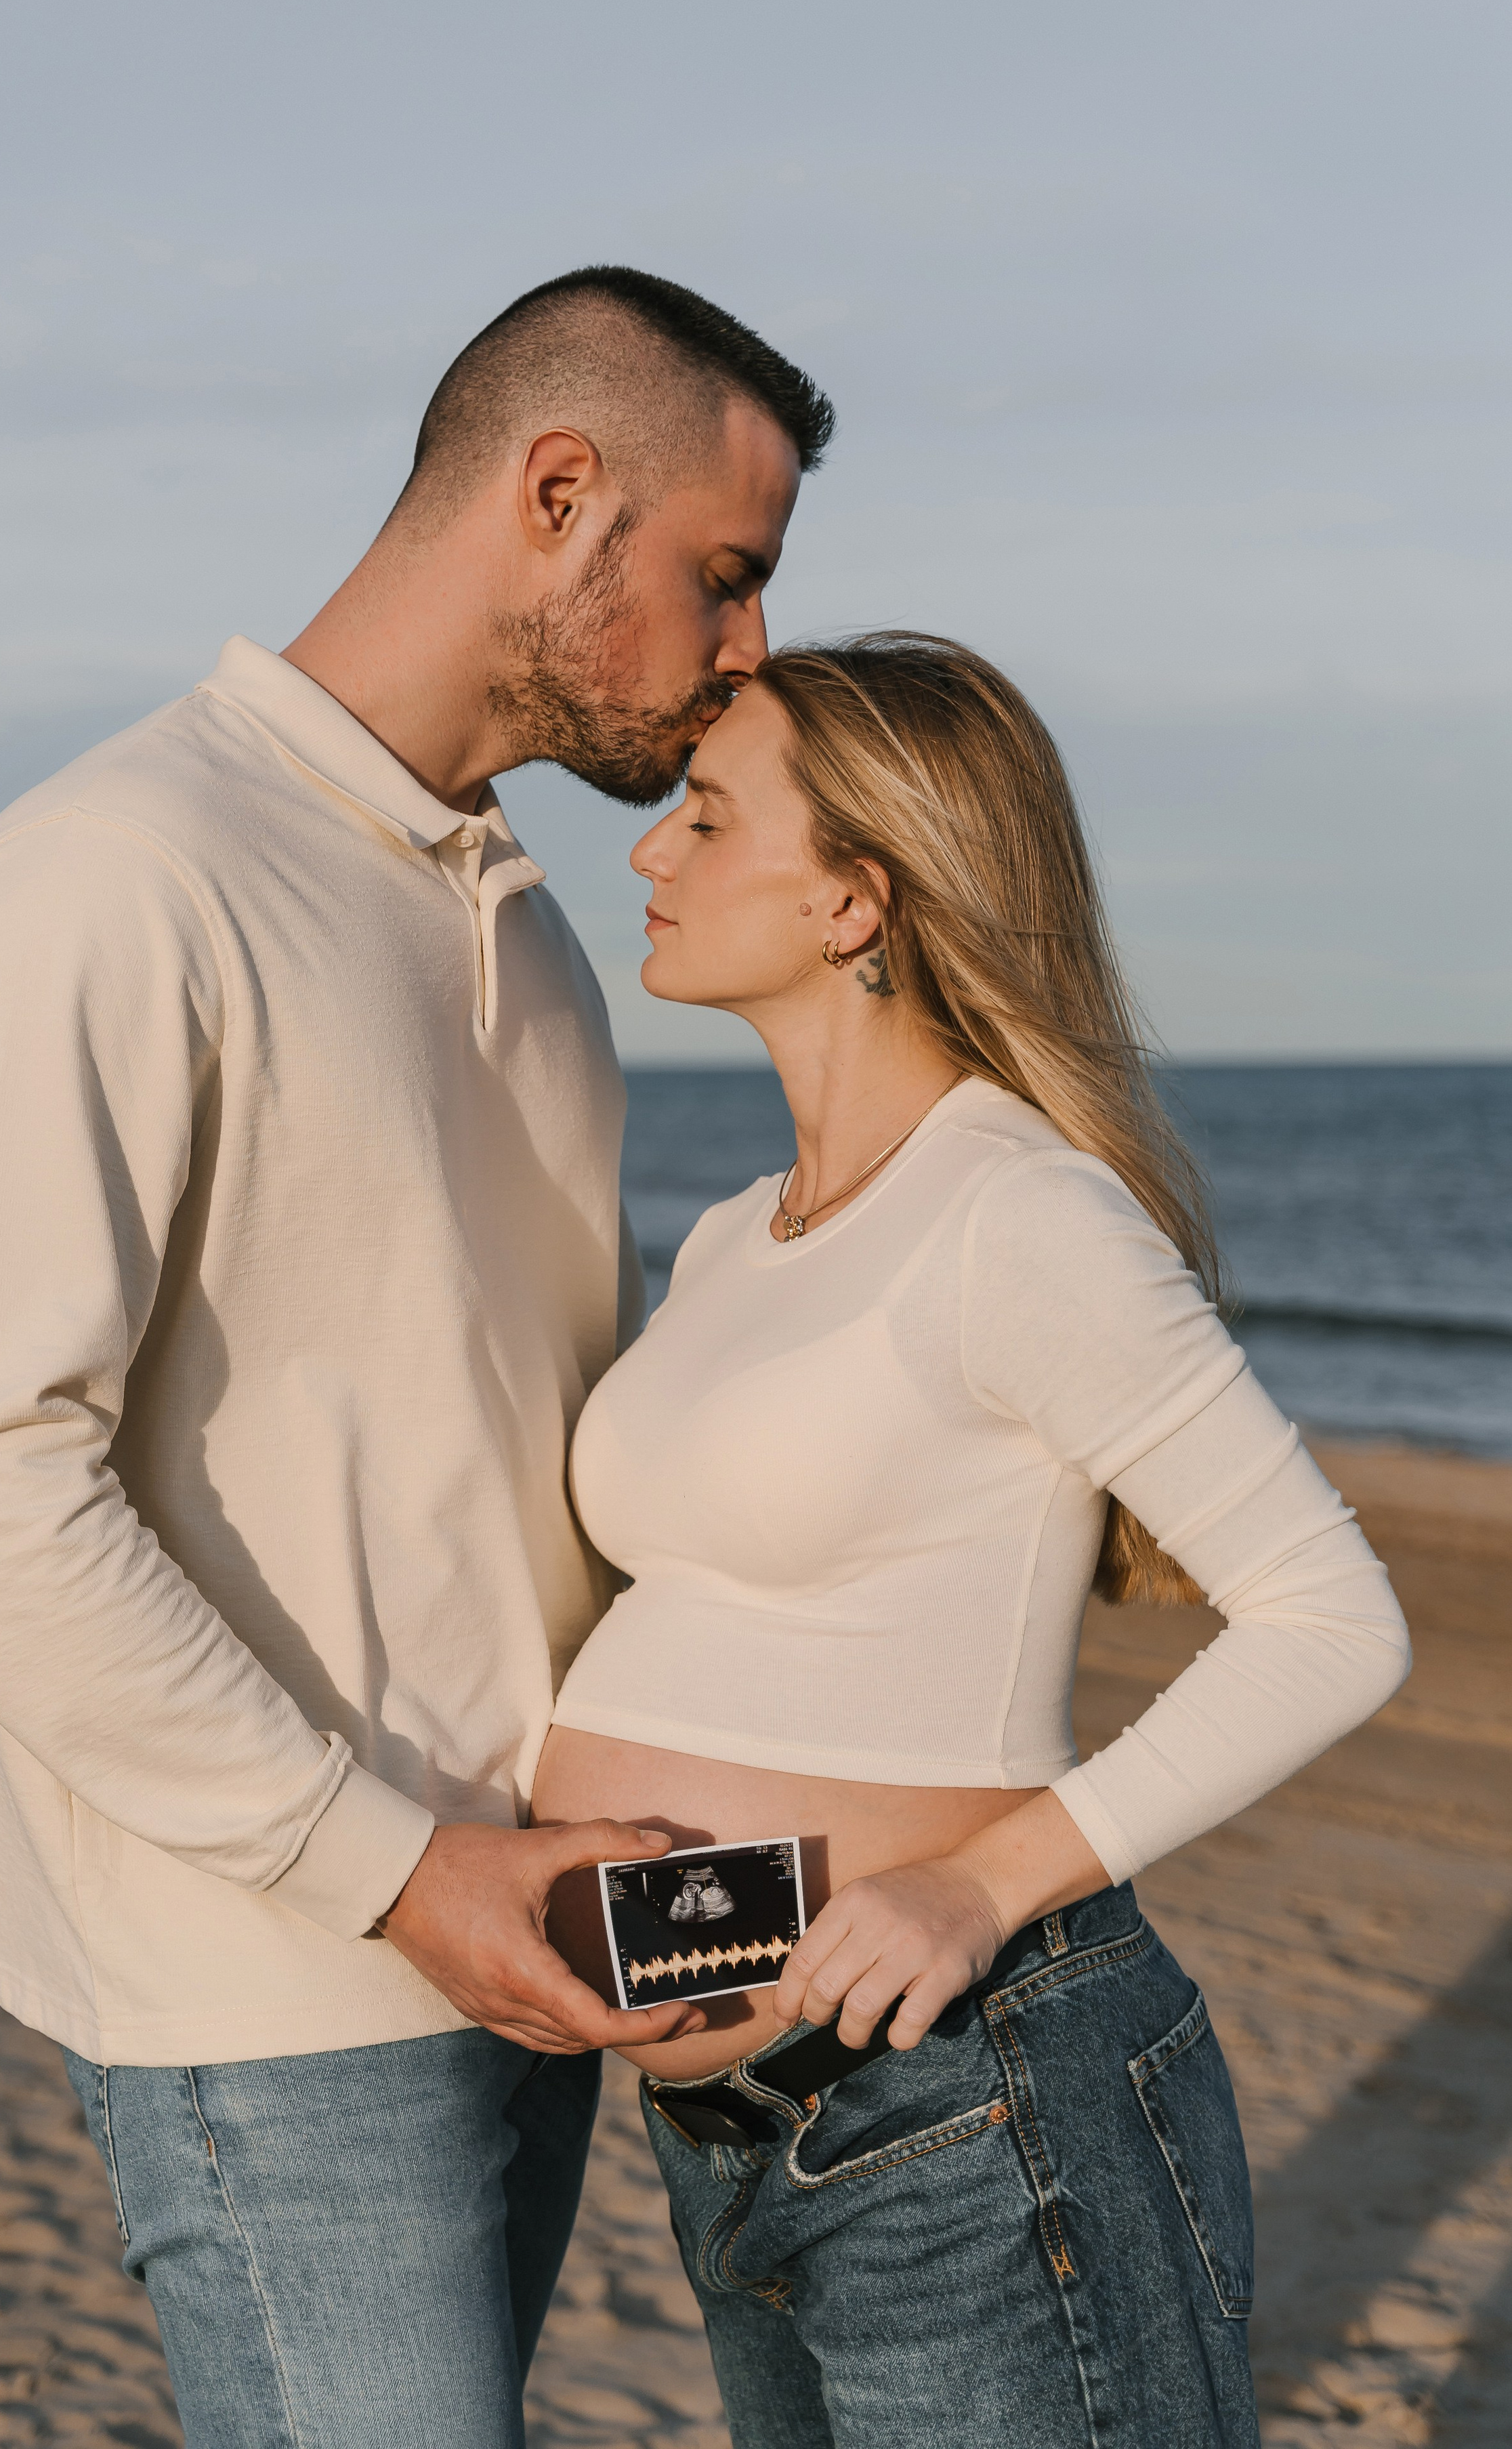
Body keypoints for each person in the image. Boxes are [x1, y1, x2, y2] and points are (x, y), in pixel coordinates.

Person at [0, 268, 833, 2449]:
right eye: (724, 576)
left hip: (538, 1939)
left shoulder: (538, 937)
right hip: (284, 1984)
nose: (748, 650)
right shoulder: (120, 873)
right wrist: (388, 1871)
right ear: (557, 492)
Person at [533, 633, 1411, 2447]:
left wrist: (984, 1882)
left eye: (707, 817)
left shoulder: (1021, 1216)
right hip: (729, 2121)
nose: (648, 854)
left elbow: (1334, 1620)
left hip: (969, 2101)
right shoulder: (728, 1240)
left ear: (858, 899)